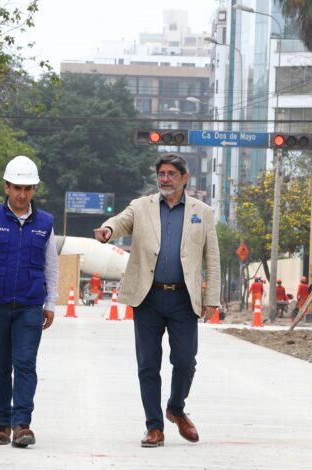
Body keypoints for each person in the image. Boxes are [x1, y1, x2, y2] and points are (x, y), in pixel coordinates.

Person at [93, 153, 220, 448]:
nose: (165, 179)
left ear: (184, 178)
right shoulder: (141, 207)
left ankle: (176, 408)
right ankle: (154, 427)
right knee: (148, 364)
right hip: (148, 297)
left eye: (171, 174)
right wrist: (107, 231)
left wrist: (211, 297)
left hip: (183, 299)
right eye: (161, 173)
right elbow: (120, 222)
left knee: (185, 361)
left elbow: (211, 259)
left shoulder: (202, 212)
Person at [0, 155, 58, 449]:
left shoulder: (45, 223)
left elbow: (51, 267)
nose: (22, 194)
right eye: (17, 187)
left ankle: (22, 425)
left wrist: (51, 304)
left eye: (28, 188)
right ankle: (1, 425)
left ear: (34, 190)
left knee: (26, 364)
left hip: (30, 306)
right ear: (6, 187)